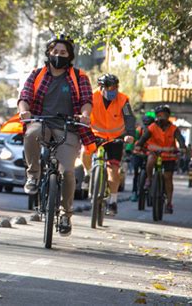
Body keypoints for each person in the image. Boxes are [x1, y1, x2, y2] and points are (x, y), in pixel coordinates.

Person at [18, 33, 94, 236]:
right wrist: (24, 110)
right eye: (55, 51)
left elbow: (87, 100)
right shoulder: (37, 74)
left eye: (63, 52)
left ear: (69, 56)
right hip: (42, 121)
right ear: (48, 53)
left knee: (68, 172)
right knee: (31, 133)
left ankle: (65, 215)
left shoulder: (80, 77)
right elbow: (25, 96)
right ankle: (33, 176)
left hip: (68, 126)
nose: (58, 55)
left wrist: (85, 115)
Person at [81, 73, 136, 216]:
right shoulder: (91, 98)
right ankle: (87, 174)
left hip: (115, 139)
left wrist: (130, 134)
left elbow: (129, 118)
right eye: (110, 87)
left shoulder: (123, 100)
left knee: (113, 170)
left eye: (115, 87)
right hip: (96, 135)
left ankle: (113, 201)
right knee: (85, 150)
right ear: (101, 87)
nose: (113, 90)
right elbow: (83, 113)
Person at [135, 104, 186, 214]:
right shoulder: (152, 127)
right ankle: (149, 178)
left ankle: (169, 203)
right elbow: (144, 137)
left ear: (168, 116)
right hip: (155, 153)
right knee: (150, 160)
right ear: (157, 116)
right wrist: (139, 145)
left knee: (168, 177)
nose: (162, 117)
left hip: (169, 155)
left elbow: (180, 139)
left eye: (164, 115)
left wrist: (182, 147)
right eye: (160, 115)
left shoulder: (173, 129)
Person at [130, 111, 155, 202]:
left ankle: (154, 188)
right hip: (139, 153)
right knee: (136, 173)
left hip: (151, 154)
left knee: (153, 171)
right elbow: (132, 140)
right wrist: (129, 150)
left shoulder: (155, 131)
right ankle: (134, 192)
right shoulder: (139, 130)